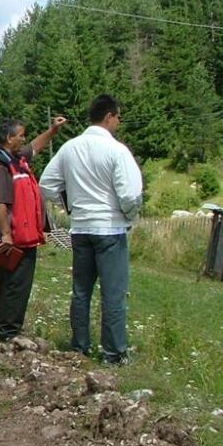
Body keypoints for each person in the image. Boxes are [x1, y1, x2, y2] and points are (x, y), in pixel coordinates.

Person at [39, 94, 143, 365]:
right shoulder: (117, 151)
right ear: (109, 116)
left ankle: (79, 346)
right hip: (110, 227)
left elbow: (46, 184)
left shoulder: (70, 148)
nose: (118, 122)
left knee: (81, 291)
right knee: (113, 294)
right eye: (118, 117)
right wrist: (129, 215)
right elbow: (130, 194)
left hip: (81, 227)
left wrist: (69, 206)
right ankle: (114, 352)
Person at [0, 116, 66, 341]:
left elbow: (33, 148)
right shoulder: (0, 165)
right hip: (16, 236)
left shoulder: (11, 156)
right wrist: (6, 234)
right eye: (20, 135)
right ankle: (8, 333)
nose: (24, 139)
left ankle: (1, 327)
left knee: (9, 282)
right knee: (16, 284)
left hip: (22, 233)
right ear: (9, 138)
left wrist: (53, 130)